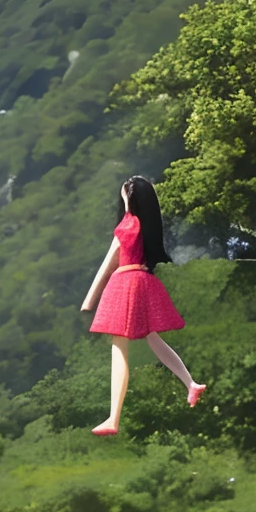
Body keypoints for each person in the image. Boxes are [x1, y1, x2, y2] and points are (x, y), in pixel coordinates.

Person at [79, 176, 205, 432]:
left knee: (119, 346)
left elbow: (107, 264)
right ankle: (190, 384)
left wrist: (89, 299)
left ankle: (113, 418)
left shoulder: (127, 225)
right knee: (152, 337)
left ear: (129, 197)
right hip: (143, 280)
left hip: (125, 283)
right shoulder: (147, 227)